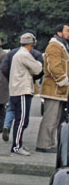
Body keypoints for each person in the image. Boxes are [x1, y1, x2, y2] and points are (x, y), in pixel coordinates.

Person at [8, 33, 43, 156]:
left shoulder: (18, 54)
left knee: (20, 119)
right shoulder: (24, 55)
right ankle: (17, 146)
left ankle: (18, 143)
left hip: (17, 90)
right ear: (32, 44)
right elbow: (38, 69)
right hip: (22, 90)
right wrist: (39, 63)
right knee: (22, 120)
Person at [36, 23, 69, 153]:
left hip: (59, 90)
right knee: (50, 118)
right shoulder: (54, 46)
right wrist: (63, 81)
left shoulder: (62, 46)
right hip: (53, 89)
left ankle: (49, 143)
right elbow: (53, 66)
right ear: (59, 33)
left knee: (55, 119)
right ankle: (43, 144)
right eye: (67, 30)